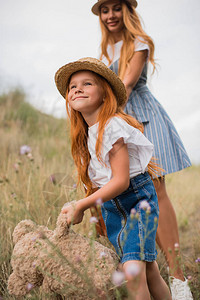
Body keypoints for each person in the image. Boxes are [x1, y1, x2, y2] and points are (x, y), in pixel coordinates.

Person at [91, 1, 193, 299]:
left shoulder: (139, 42)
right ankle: (150, 275)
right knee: (131, 196)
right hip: (115, 121)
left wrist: (103, 119)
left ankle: (179, 281)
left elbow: (126, 84)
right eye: (104, 10)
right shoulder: (104, 52)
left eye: (115, 8)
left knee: (157, 192)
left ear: (127, 11)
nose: (110, 15)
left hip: (143, 119)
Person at [54, 57, 171, 300]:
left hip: (138, 202)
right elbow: (103, 183)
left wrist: (82, 205)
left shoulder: (112, 126)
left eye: (87, 84)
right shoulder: (88, 134)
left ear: (105, 94)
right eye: (72, 86)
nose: (77, 89)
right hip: (115, 208)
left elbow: (121, 182)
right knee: (148, 270)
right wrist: (92, 211)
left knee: (133, 271)